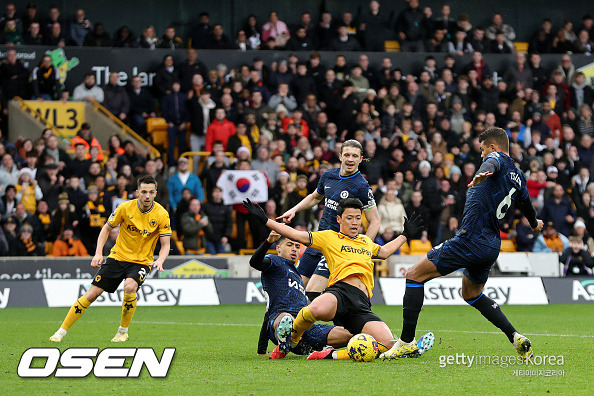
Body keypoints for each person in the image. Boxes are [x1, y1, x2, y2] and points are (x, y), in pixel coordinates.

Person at [380, 127, 543, 362]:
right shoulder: (519, 177)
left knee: (414, 276)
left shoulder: (495, 160)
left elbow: (492, 163)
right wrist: (535, 222)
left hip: (470, 240)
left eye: (482, 150)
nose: (481, 155)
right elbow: (527, 207)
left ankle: (406, 342)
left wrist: (482, 173)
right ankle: (515, 336)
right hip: (490, 245)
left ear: (493, 147)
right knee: (471, 293)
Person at [244, 197, 431, 360]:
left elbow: (384, 252)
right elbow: (296, 235)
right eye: (350, 218)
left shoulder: (366, 242)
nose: (355, 222)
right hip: (340, 293)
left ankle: (333, 355)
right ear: (339, 219)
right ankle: (292, 340)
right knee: (315, 308)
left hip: (362, 303)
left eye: (358, 218)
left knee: (387, 343)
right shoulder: (329, 237)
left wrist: (405, 235)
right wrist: (266, 221)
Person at [49, 175, 171, 342]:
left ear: (156, 193)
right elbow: (106, 229)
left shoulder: (162, 214)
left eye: (151, 192)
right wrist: (98, 253)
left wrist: (160, 260)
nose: (147, 196)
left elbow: (165, 245)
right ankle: (61, 332)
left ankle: (122, 331)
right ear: (137, 193)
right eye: (144, 192)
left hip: (141, 262)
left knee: (129, 287)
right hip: (118, 257)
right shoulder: (125, 208)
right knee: (92, 294)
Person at [277, 140, 380, 298]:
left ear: (360, 159)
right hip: (319, 240)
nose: (350, 159)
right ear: (340, 156)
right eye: (347, 155)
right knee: (296, 288)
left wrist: (363, 247)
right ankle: (291, 321)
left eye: (354, 156)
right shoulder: (329, 175)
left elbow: (375, 221)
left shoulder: (361, 186)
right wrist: (294, 209)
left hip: (338, 246)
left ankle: (316, 322)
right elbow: (314, 198)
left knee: (312, 291)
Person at [251, 230, 353, 358]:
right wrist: (268, 242)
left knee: (349, 333)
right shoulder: (274, 262)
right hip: (279, 320)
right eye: (289, 245)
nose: (294, 249)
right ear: (278, 248)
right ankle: (288, 339)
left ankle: (310, 348)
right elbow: (254, 263)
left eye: (297, 246)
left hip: (304, 326)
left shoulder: (298, 277)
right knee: (286, 319)